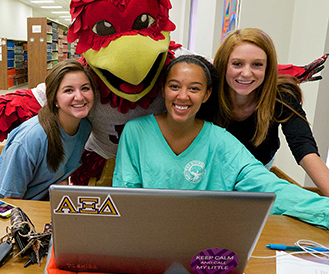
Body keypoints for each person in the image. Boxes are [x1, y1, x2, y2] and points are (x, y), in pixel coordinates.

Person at [113, 55, 329, 229]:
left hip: (205, 247)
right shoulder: (137, 132)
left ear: (207, 95)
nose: (183, 96)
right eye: (175, 86)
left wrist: (325, 211)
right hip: (146, 238)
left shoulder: (221, 141)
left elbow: (271, 188)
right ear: (163, 90)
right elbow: (125, 197)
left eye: (194, 89)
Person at [212, 28, 329, 197]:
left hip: (258, 168)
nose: (246, 73)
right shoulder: (208, 95)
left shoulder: (281, 96)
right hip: (214, 170)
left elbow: (304, 147)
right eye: (237, 64)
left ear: (268, 68)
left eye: (257, 65)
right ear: (224, 65)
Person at [0, 60, 96, 200]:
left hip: (29, 202)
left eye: (85, 88)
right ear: (54, 99)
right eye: (68, 90)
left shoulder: (84, 127)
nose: (79, 97)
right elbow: (11, 199)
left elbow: (60, 174)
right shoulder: (32, 137)